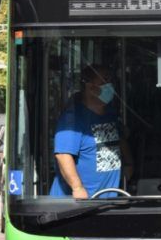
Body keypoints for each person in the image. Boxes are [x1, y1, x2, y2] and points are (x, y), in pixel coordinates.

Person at [50, 65, 133, 199]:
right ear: (90, 87)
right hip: (76, 205)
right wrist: (77, 188)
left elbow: (119, 138)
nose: (110, 86)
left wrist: (129, 164)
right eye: (105, 81)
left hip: (106, 199)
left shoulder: (109, 113)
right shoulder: (73, 119)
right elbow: (63, 155)